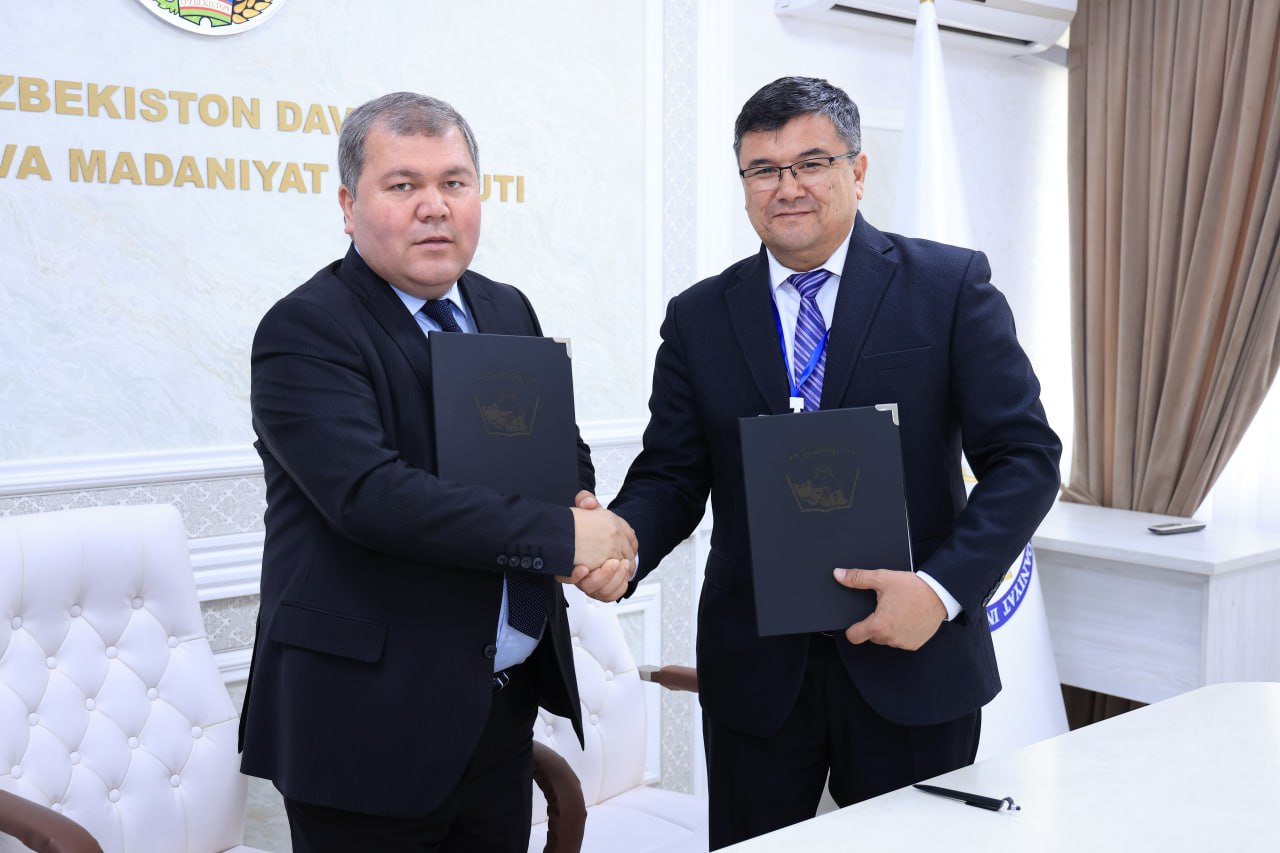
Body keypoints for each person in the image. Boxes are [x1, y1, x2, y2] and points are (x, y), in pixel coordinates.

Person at [607, 76, 1062, 849]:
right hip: (757, 674)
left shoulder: (949, 287)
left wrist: (939, 591)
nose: (787, 187)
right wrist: (621, 542)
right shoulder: (698, 317)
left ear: (857, 169)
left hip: (914, 659)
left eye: (811, 163)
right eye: (763, 169)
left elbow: (1025, 457)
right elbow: (672, 476)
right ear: (744, 182)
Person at [238, 91, 635, 852]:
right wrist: (565, 537)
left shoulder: (506, 309)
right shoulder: (305, 328)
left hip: (498, 711)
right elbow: (371, 496)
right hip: (365, 724)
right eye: (403, 185)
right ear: (349, 206)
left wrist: (582, 511)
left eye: (454, 182)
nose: (434, 206)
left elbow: (557, 452)